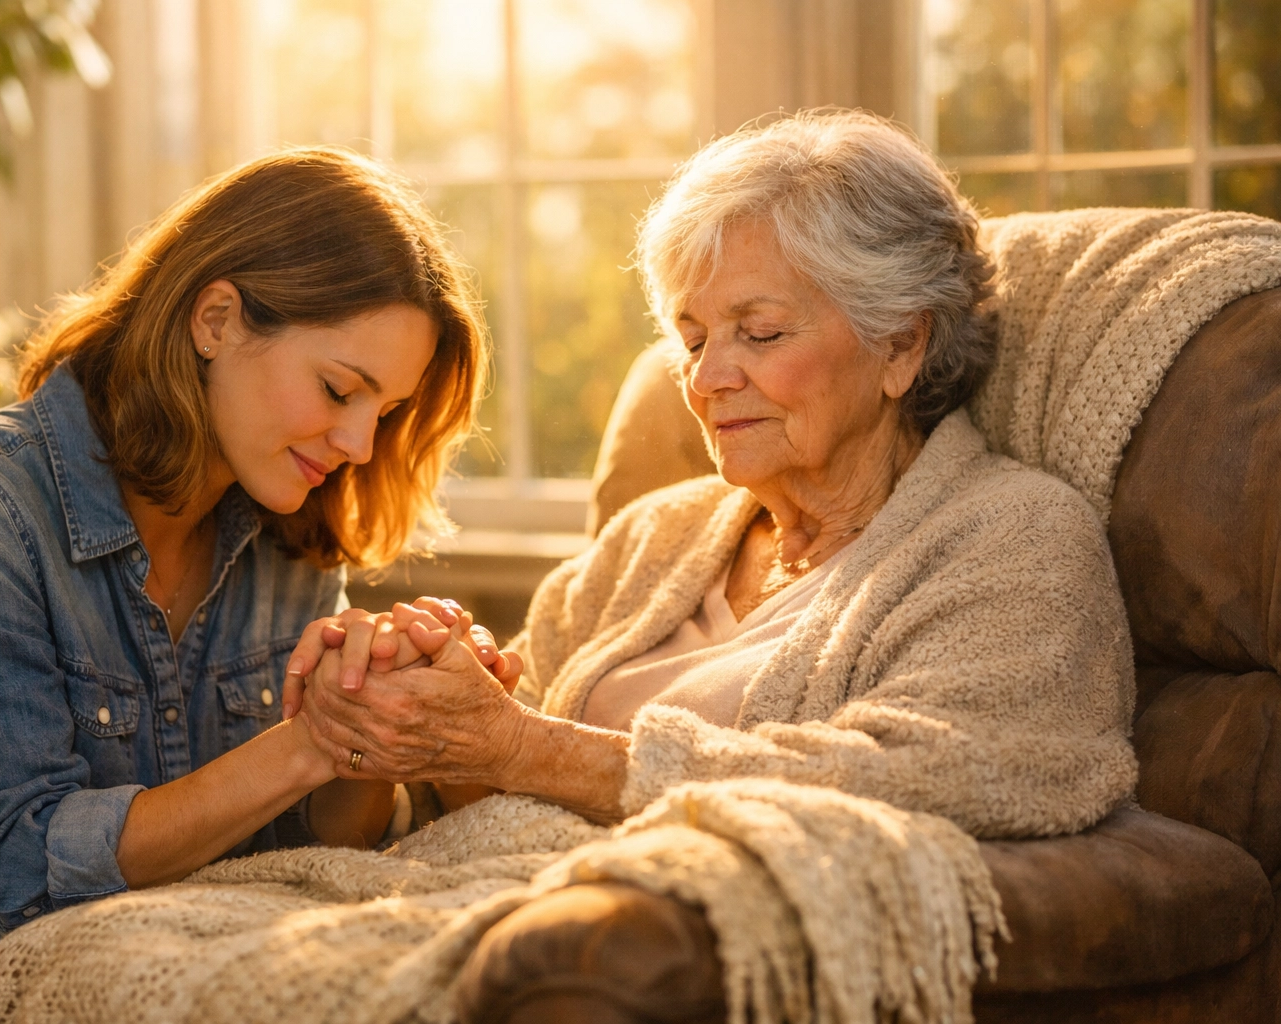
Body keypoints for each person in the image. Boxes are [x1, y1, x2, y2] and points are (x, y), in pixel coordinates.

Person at [0, 148, 515, 1023]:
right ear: (215, 318)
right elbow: (17, 878)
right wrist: (307, 742)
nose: (360, 445)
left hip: (115, 973)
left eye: (386, 413)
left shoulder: (287, 532)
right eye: (340, 389)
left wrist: (375, 718)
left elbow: (290, 843)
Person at [286, 109, 1138, 840]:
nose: (702, 378)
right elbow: (454, 796)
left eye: (759, 333)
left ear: (902, 344)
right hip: (476, 898)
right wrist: (391, 713)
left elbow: (953, 777)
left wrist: (524, 747)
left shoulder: (1016, 538)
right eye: (692, 339)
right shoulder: (650, 538)